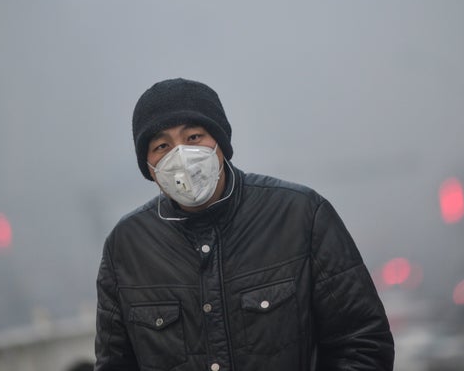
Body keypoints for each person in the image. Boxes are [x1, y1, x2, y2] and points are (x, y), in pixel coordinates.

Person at [94, 78, 394, 370]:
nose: (180, 155)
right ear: (148, 166)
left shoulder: (300, 216)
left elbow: (362, 343)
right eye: (161, 145)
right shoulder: (126, 247)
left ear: (220, 143)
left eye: (194, 137)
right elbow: (115, 363)